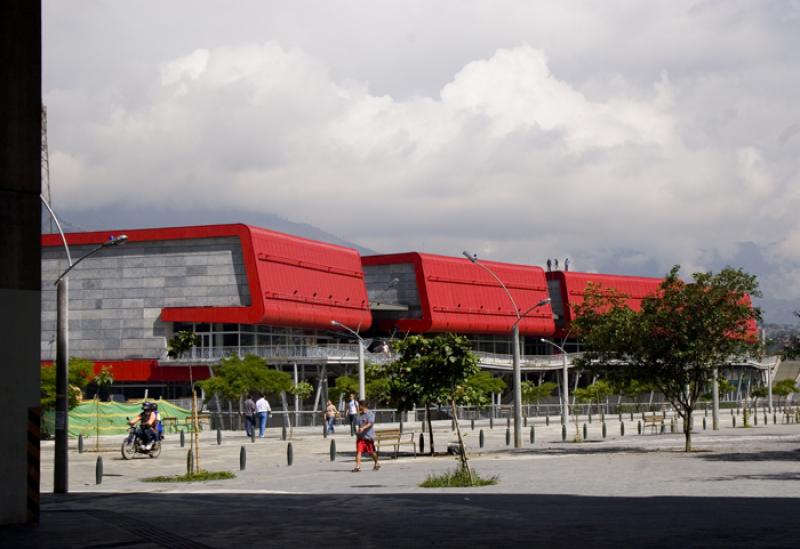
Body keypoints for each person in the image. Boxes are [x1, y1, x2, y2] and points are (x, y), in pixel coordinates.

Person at [353, 399, 380, 472]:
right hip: (360, 437)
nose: (358, 407)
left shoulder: (370, 414)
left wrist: (363, 428)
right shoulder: (359, 415)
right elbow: (357, 424)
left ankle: (376, 462)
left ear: (363, 406)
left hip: (368, 437)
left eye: (359, 405)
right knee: (359, 451)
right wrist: (356, 430)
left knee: (371, 452)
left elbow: (370, 423)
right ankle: (358, 466)